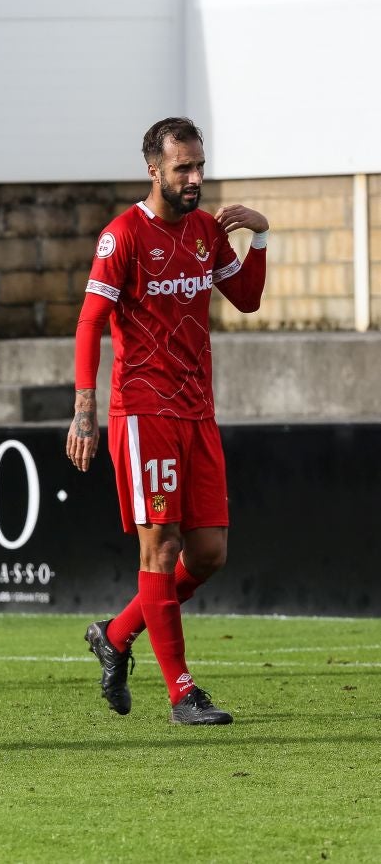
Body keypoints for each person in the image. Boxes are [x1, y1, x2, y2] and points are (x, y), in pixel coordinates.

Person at [68, 117, 268, 725]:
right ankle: (182, 693)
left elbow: (248, 299)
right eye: (183, 167)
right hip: (144, 409)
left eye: (199, 165)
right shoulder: (123, 236)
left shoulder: (206, 231)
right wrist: (85, 410)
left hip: (198, 409)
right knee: (161, 547)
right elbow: (90, 323)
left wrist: (259, 237)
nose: (195, 177)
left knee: (208, 554)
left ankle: (115, 634)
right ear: (153, 170)